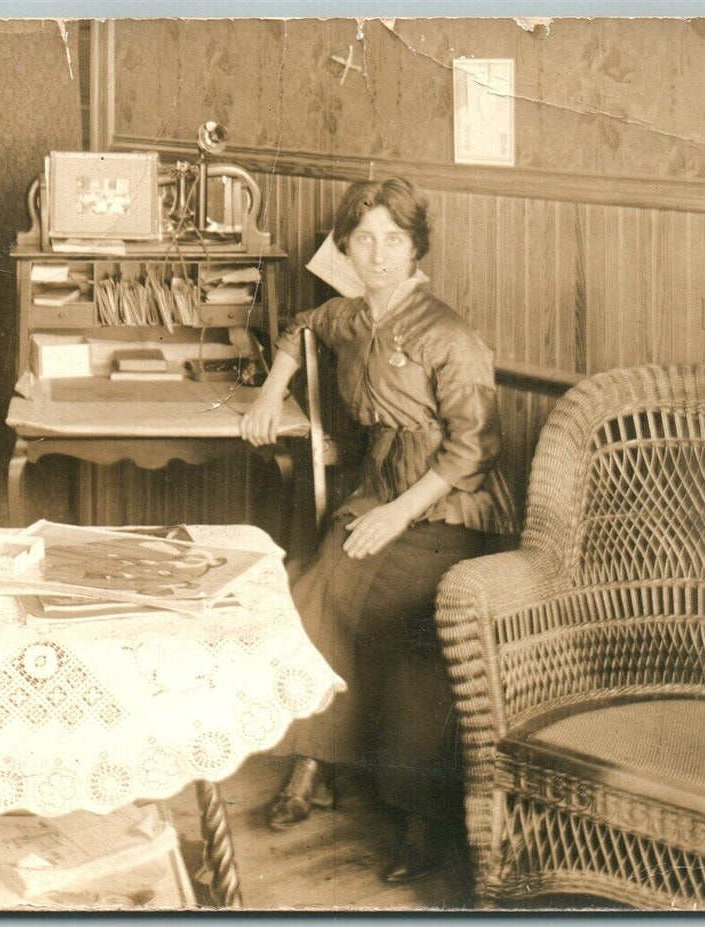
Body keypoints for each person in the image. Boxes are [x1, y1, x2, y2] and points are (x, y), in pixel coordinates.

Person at [240, 177, 517, 882]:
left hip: (447, 508)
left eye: (393, 240)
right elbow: (300, 328)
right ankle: (316, 763)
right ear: (345, 247)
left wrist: (398, 513)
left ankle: (423, 820)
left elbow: (474, 449)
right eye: (362, 239)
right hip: (378, 496)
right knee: (312, 593)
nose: (378, 254)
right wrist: (272, 390)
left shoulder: (447, 334)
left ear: (416, 248)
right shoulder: (351, 315)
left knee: (406, 631)